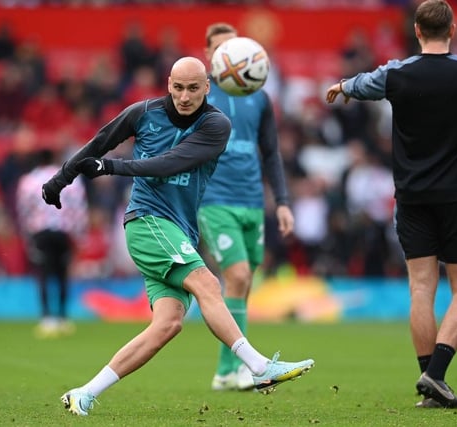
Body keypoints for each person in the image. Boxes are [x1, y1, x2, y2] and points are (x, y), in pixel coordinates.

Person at [41, 57, 314, 416]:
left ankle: (84, 392)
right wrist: (62, 178)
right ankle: (259, 367)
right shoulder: (143, 113)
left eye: (193, 88)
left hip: (178, 229)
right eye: (178, 87)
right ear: (169, 84)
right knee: (208, 284)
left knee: (168, 325)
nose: (184, 96)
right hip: (148, 221)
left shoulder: (216, 125)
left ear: (207, 88)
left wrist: (111, 167)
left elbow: (170, 162)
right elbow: (101, 141)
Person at [325, 0, 457, 409]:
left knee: (421, 287)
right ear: (452, 29)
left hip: (412, 198)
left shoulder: (398, 74)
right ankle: (435, 375)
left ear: (416, 31)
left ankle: (428, 380)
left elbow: (364, 82)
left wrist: (343, 87)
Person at [199, 22, 295, 391]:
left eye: (235, 49)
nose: (231, 59)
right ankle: (244, 366)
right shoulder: (198, 95)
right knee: (237, 275)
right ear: (209, 54)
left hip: (252, 200)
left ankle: (225, 372)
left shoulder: (260, 97)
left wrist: (283, 202)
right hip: (214, 198)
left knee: (243, 283)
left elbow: (271, 152)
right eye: (222, 51)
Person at [16, 148, 88, 338]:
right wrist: (80, 235)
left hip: (40, 232)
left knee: (44, 273)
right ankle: (63, 318)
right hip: (63, 232)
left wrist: (27, 234)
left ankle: (47, 318)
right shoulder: (70, 180)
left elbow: (24, 210)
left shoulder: (28, 181)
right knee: (62, 273)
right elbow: (79, 208)